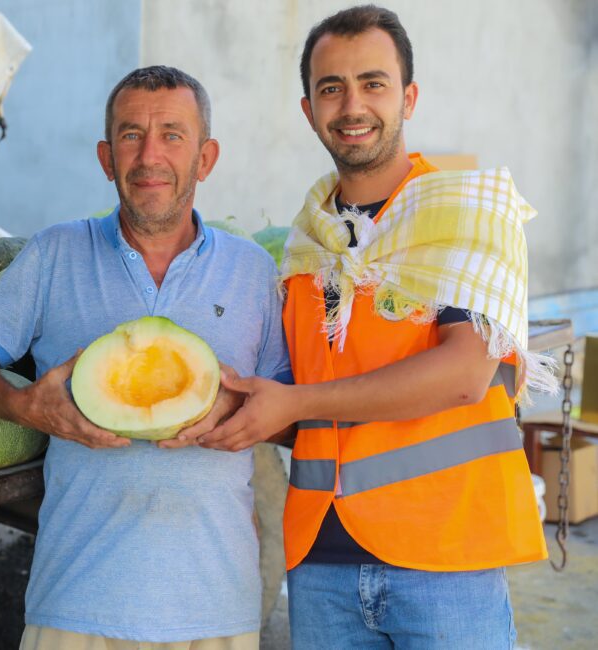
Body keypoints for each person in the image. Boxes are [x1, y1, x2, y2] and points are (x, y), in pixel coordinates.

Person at [174, 5, 552, 649]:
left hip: (447, 559)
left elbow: (464, 375)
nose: (353, 105)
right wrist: (217, 406)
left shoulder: (468, 215)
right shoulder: (305, 246)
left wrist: (297, 401)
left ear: (408, 96)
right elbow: (301, 403)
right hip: (321, 563)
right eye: (332, 88)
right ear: (308, 109)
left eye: (373, 83)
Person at [0, 66, 290, 649]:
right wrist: (25, 406)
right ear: (107, 157)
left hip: (216, 607)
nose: (149, 155)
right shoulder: (54, 252)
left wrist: (238, 409)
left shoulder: (253, 270)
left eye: (172, 135)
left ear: (206, 158)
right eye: (131, 135)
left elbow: (288, 412)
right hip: (77, 600)